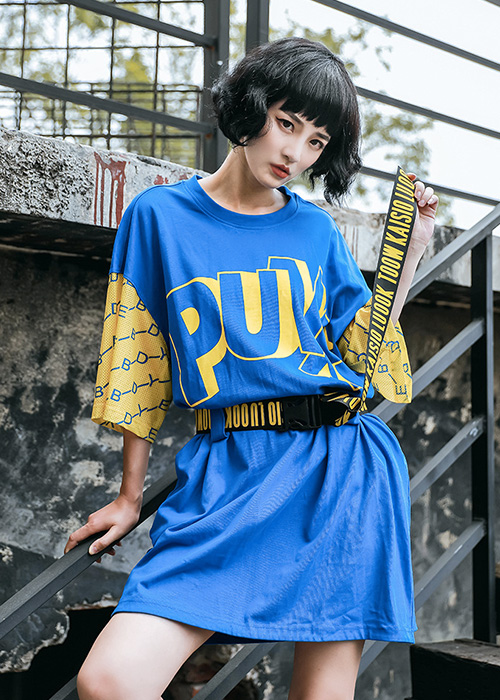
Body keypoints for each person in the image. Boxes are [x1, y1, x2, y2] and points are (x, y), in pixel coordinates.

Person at [66, 36, 438, 700]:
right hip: (228, 475)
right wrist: (129, 496)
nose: (295, 152)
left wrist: (408, 258)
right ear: (250, 109)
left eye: (317, 141)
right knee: (110, 679)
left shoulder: (315, 231)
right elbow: (135, 360)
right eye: (286, 123)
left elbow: (363, 357)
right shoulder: (160, 217)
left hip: (339, 469)